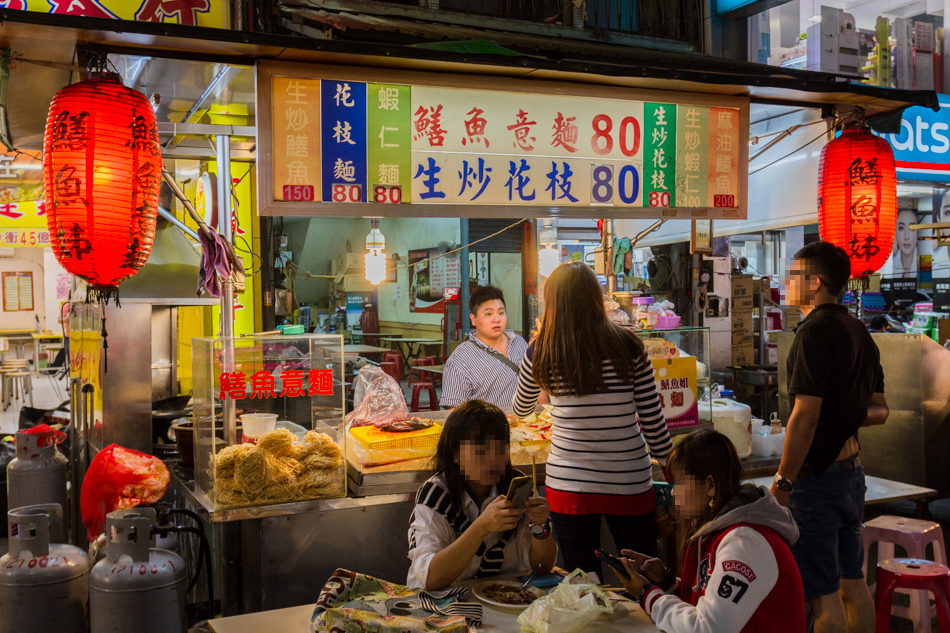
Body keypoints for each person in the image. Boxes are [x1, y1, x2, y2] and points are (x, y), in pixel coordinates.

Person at [512, 262, 672, 578]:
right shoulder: (629, 345)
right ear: (595, 297)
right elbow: (653, 422)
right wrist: (672, 468)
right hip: (628, 479)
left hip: (570, 483)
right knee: (642, 577)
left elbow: (521, 409)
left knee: (582, 582)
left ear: (552, 301)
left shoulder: (541, 348)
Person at [773, 241, 889, 633]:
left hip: (818, 482)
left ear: (815, 282)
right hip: (851, 475)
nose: (786, 283)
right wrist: (845, 415)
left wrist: (784, 481)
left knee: (821, 595)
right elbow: (879, 408)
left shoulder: (813, 332)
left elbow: (804, 417)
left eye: (794, 276)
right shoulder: (858, 330)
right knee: (853, 584)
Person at [613, 429, 806, 633]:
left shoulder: (746, 542)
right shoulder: (719, 531)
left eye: (679, 483)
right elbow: (709, 605)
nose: (672, 492)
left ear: (710, 485)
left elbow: (709, 628)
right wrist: (667, 582)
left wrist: (646, 593)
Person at [407, 400, 557, 590]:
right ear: (454, 454)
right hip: (441, 604)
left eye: (501, 448)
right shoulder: (435, 495)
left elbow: (543, 568)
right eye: (481, 451)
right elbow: (431, 579)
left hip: (502, 598)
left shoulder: (517, 486)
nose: (493, 459)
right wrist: (481, 528)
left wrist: (540, 526)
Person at [440, 285, 527, 409]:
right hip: (486, 427)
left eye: (501, 313)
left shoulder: (519, 342)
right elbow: (454, 411)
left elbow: (537, 386)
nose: (497, 319)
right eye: (489, 314)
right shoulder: (459, 360)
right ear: (473, 319)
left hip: (526, 426)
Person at [888, 208, 918, 279]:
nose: (906, 237)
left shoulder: (925, 263)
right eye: (901, 228)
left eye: (912, 228)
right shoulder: (889, 263)